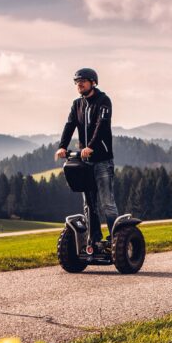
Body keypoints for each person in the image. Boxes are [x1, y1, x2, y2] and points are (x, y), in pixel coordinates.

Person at [56, 68, 119, 242]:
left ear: (93, 82)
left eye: (83, 81)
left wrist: (91, 146)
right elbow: (70, 125)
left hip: (102, 160)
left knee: (107, 203)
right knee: (89, 204)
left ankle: (115, 238)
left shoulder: (103, 100)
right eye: (77, 82)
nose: (79, 84)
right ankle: (94, 239)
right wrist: (62, 146)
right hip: (85, 163)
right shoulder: (77, 104)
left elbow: (102, 125)